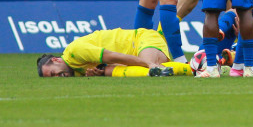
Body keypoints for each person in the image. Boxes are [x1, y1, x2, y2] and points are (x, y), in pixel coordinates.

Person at [36, 28, 188, 77]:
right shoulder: (76, 69)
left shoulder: (75, 51)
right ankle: (190, 67)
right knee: (106, 71)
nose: (57, 77)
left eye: (53, 73)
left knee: (152, 68)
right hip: (135, 52)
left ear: (56, 60)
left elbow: (114, 56)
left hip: (142, 39)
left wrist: (149, 63)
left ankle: (195, 66)